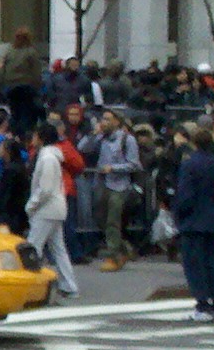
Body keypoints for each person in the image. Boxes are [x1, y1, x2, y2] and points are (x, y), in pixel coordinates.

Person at [173, 126, 214, 321]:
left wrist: (179, 215)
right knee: (211, 264)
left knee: (194, 265)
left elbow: (185, 195)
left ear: (194, 143)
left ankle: (202, 304)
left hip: (192, 220)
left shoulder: (189, 165)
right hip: (212, 218)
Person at [81, 108, 141, 271]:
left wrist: (114, 168)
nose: (104, 122)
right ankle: (124, 248)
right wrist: (92, 134)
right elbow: (83, 148)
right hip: (100, 183)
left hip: (119, 185)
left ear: (117, 121)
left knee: (113, 220)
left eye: (108, 119)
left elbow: (134, 164)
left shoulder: (127, 140)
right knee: (100, 217)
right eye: (103, 119)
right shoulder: (100, 138)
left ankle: (113, 255)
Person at [26, 124, 77, 299]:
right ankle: (69, 285)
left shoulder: (47, 158)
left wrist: (31, 204)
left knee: (33, 246)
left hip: (46, 209)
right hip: (55, 207)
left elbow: (45, 189)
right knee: (58, 248)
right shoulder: (52, 156)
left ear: (40, 137)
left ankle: (30, 286)